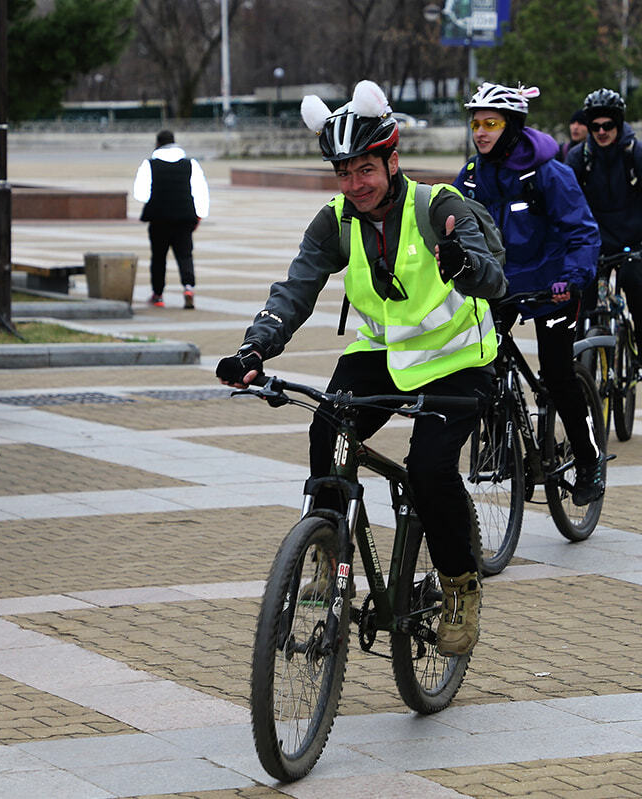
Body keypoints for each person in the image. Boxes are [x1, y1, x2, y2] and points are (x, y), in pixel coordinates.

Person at [216, 80, 506, 657]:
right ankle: (326, 560)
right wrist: (255, 349)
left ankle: (459, 586)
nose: (354, 185)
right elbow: (295, 289)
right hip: (382, 354)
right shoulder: (335, 220)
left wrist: (464, 264)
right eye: (343, 173)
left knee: (428, 469)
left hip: (454, 361)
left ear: (392, 161)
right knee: (326, 428)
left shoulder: (439, 206)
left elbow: (494, 278)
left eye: (364, 170)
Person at [453, 82, 604, 507]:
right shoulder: (470, 176)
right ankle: (498, 436)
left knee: (557, 375)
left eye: (491, 123)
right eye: (476, 123)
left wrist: (573, 278)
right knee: (482, 362)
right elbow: (446, 224)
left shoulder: (548, 174)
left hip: (552, 286)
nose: (480, 132)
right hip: (499, 286)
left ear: (512, 126)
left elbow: (582, 232)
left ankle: (588, 458)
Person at [566, 88, 642, 369]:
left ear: (619, 124)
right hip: (594, 241)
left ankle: (641, 337)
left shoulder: (635, 152)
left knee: (629, 280)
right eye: (595, 126)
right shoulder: (580, 157)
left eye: (608, 125)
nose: (602, 132)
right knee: (585, 294)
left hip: (633, 239)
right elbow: (562, 200)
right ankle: (578, 358)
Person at [132, 130, 209, 309]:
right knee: (185, 255)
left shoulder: (149, 164)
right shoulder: (191, 164)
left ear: (157, 143)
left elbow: (141, 194)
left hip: (159, 219)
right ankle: (188, 288)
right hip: (184, 218)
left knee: (159, 257)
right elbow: (200, 190)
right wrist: (200, 214)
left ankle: (158, 295)